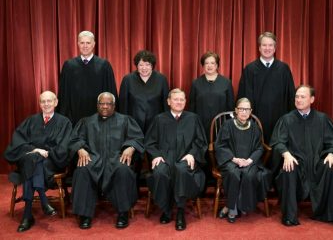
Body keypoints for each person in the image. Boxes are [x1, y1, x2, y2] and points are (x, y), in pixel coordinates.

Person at [270, 85, 333, 227]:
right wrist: (286, 154)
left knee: (331, 167)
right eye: (296, 96)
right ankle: (289, 216)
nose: (298, 99)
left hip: (317, 164)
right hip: (297, 164)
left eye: (302, 96)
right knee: (289, 168)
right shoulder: (287, 120)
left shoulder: (322, 119)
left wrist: (331, 154)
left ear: (312, 99)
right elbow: (277, 142)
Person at [69, 92, 144, 230]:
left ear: (114, 105)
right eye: (101, 103)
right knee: (83, 170)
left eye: (108, 103)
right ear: (97, 105)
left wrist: (131, 147)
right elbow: (75, 139)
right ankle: (85, 214)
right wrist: (80, 149)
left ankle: (123, 212)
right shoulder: (86, 122)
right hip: (93, 159)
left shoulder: (125, 120)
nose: (104, 106)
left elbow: (137, 138)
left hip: (116, 158)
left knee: (123, 170)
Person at [4, 91, 72, 232]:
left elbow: (63, 147)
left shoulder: (64, 122)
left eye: (49, 101)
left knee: (33, 162)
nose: (46, 104)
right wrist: (36, 150)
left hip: (51, 159)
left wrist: (42, 153)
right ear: (39, 103)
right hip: (31, 158)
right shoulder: (31, 121)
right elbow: (18, 142)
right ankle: (43, 200)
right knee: (33, 159)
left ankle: (27, 215)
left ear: (56, 102)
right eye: (43, 101)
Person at [145, 88, 208, 231]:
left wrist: (192, 154)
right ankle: (166, 210)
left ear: (185, 102)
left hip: (186, 159)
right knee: (160, 172)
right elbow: (150, 142)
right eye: (175, 99)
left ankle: (180, 210)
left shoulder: (193, 118)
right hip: (165, 159)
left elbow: (201, 142)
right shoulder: (159, 119)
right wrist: (156, 155)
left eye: (181, 99)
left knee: (181, 169)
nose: (179, 102)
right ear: (168, 101)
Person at [215, 98, 271, 223]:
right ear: (236, 110)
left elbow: (259, 148)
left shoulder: (255, 128)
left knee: (248, 174)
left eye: (247, 109)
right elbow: (220, 146)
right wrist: (234, 159)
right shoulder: (227, 125)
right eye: (241, 109)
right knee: (233, 173)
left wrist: (249, 160)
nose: (244, 112)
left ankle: (233, 206)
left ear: (250, 111)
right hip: (231, 161)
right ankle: (233, 209)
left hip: (249, 162)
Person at [237, 32, 295, 144]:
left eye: (270, 45)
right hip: (255, 119)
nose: (267, 48)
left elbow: (290, 95)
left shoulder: (284, 69)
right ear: (259, 47)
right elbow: (243, 97)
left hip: (279, 119)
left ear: (275, 48)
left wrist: (290, 119)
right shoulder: (250, 69)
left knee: (277, 150)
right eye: (264, 45)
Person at [189, 51, 234, 190]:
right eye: (206, 63)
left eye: (212, 63)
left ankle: (219, 184)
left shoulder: (226, 82)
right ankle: (201, 185)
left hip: (221, 127)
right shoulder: (196, 83)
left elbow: (230, 107)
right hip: (201, 125)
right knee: (202, 152)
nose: (209, 66)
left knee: (218, 152)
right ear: (202, 65)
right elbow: (192, 107)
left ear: (217, 65)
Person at [57, 30, 118, 126]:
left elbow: (110, 92)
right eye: (82, 43)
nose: (85, 46)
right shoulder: (69, 66)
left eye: (88, 43)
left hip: (98, 117)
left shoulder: (104, 65)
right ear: (78, 44)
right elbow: (63, 94)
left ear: (93, 44)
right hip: (74, 116)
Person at [119, 50, 169, 133]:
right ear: (137, 66)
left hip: (156, 125)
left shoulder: (161, 79)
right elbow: (123, 105)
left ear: (152, 66)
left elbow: (166, 104)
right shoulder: (127, 80)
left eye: (147, 64)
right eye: (141, 65)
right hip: (133, 125)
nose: (144, 68)